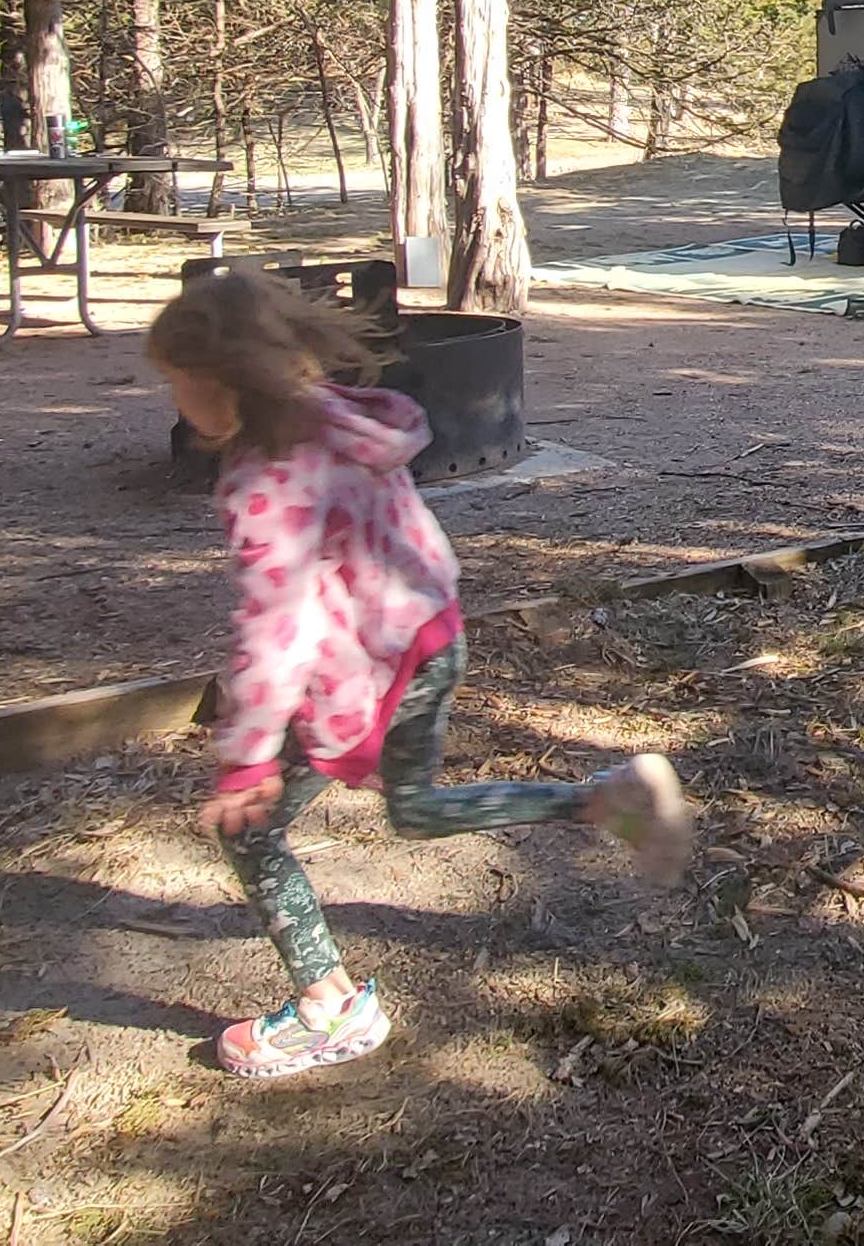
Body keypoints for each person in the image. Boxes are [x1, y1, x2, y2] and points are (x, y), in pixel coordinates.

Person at [150, 269, 699, 1079]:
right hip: (430, 642)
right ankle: (604, 800)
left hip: (363, 676)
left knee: (249, 828)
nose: (171, 398)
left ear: (222, 379)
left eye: (175, 380)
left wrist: (247, 758)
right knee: (414, 809)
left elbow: (277, 630)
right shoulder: (345, 420)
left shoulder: (265, 479)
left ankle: (330, 1008)